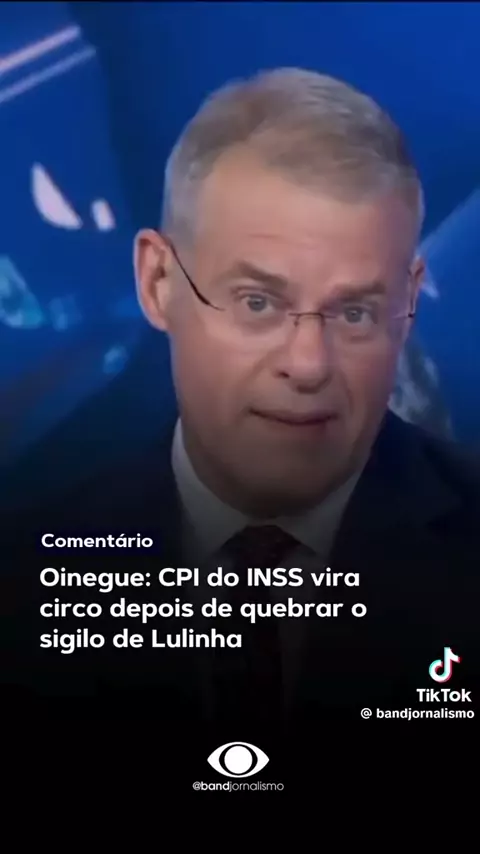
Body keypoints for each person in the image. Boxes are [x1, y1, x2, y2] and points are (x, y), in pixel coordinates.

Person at [3, 69, 480, 772]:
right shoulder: (22, 580)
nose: (309, 364)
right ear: (158, 283)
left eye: (355, 311)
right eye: (258, 302)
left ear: (408, 303)